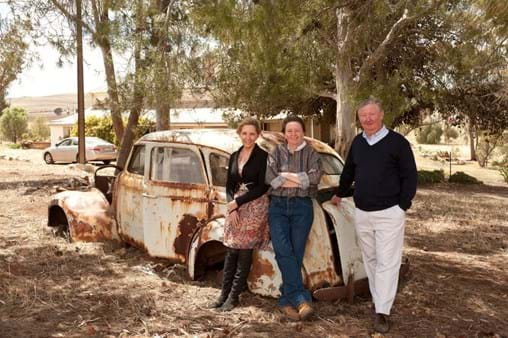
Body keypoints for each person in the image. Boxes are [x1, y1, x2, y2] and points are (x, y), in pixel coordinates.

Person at [331, 97, 417, 333]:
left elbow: (410, 175)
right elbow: (349, 171)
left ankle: (382, 312)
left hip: (390, 212)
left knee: (388, 263)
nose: (367, 119)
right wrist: (339, 193)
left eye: (371, 114)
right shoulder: (358, 143)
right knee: (370, 259)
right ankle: (379, 300)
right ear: (359, 119)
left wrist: (402, 205)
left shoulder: (397, 143)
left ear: (381, 115)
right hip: (363, 212)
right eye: (363, 116)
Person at [209, 117, 270, 311]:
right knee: (231, 250)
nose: (248, 137)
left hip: (254, 205)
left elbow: (262, 187)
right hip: (236, 206)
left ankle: (234, 297)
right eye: (245, 133)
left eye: (252, 133)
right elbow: (229, 185)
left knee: (244, 252)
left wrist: (238, 202)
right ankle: (223, 295)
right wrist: (232, 205)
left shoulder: (263, 156)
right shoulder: (235, 155)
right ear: (239, 133)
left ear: (258, 135)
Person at [265, 115, 322, 321]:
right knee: (283, 251)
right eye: (289, 131)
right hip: (278, 208)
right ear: (284, 133)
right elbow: (271, 179)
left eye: (297, 130)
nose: (293, 134)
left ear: (303, 132)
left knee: (296, 253)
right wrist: (300, 179)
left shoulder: (311, 152)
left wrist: (286, 175)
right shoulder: (275, 151)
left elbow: (315, 177)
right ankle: (300, 298)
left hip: (302, 207)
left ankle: (285, 301)